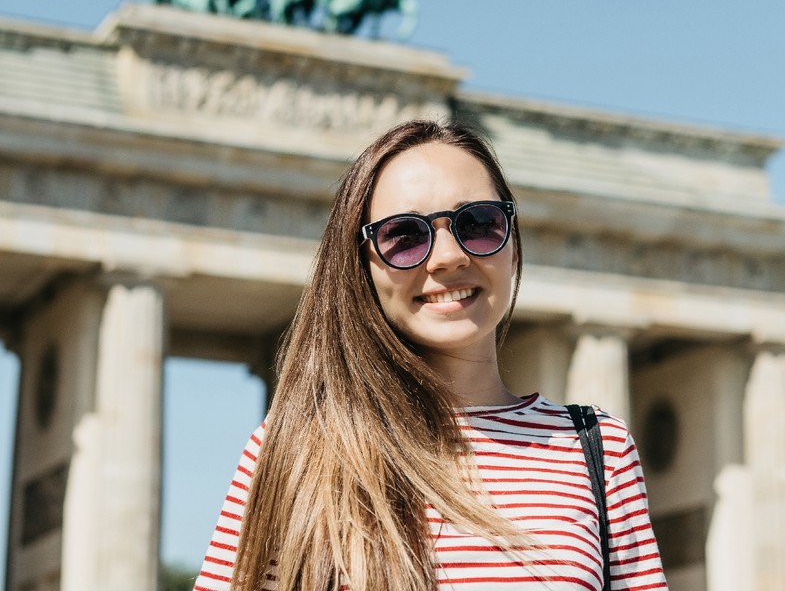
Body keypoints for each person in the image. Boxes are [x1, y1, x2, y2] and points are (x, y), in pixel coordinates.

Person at [194, 120, 667, 591]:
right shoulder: (291, 450)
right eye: (404, 236)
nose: (447, 257)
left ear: (514, 243)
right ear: (362, 267)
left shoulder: (598, 448)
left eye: (479, 224)